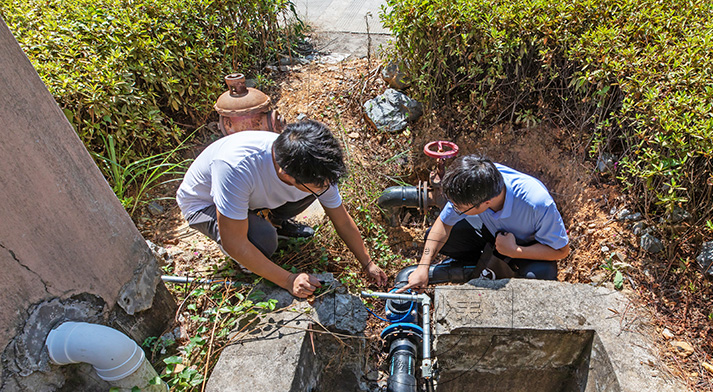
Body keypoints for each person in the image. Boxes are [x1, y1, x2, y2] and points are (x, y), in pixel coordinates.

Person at [176, 119, 388, 297]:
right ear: (286, 174)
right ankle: (255, 243)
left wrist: (367, 262)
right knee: (264, 240)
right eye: (320, 184)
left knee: (312, 195)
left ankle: (273, 222)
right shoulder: (236, 167)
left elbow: (341, 220)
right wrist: (288, 279)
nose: (327, 187)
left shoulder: (311, 166)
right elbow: (234, 242)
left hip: (249, 199)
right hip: (205, 205)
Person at [406, 155, 570, 291]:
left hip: (526, 249)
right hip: (492, 235)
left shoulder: (536, 203)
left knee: (539, 278)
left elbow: (561, 251)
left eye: (459, 208)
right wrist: (423, 267)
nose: (454, 209)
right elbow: (443, 224)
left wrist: (515, 251)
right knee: (439, 237)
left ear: (486, 203)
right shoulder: (473, 183)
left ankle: (504, 271)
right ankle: (481, 266)